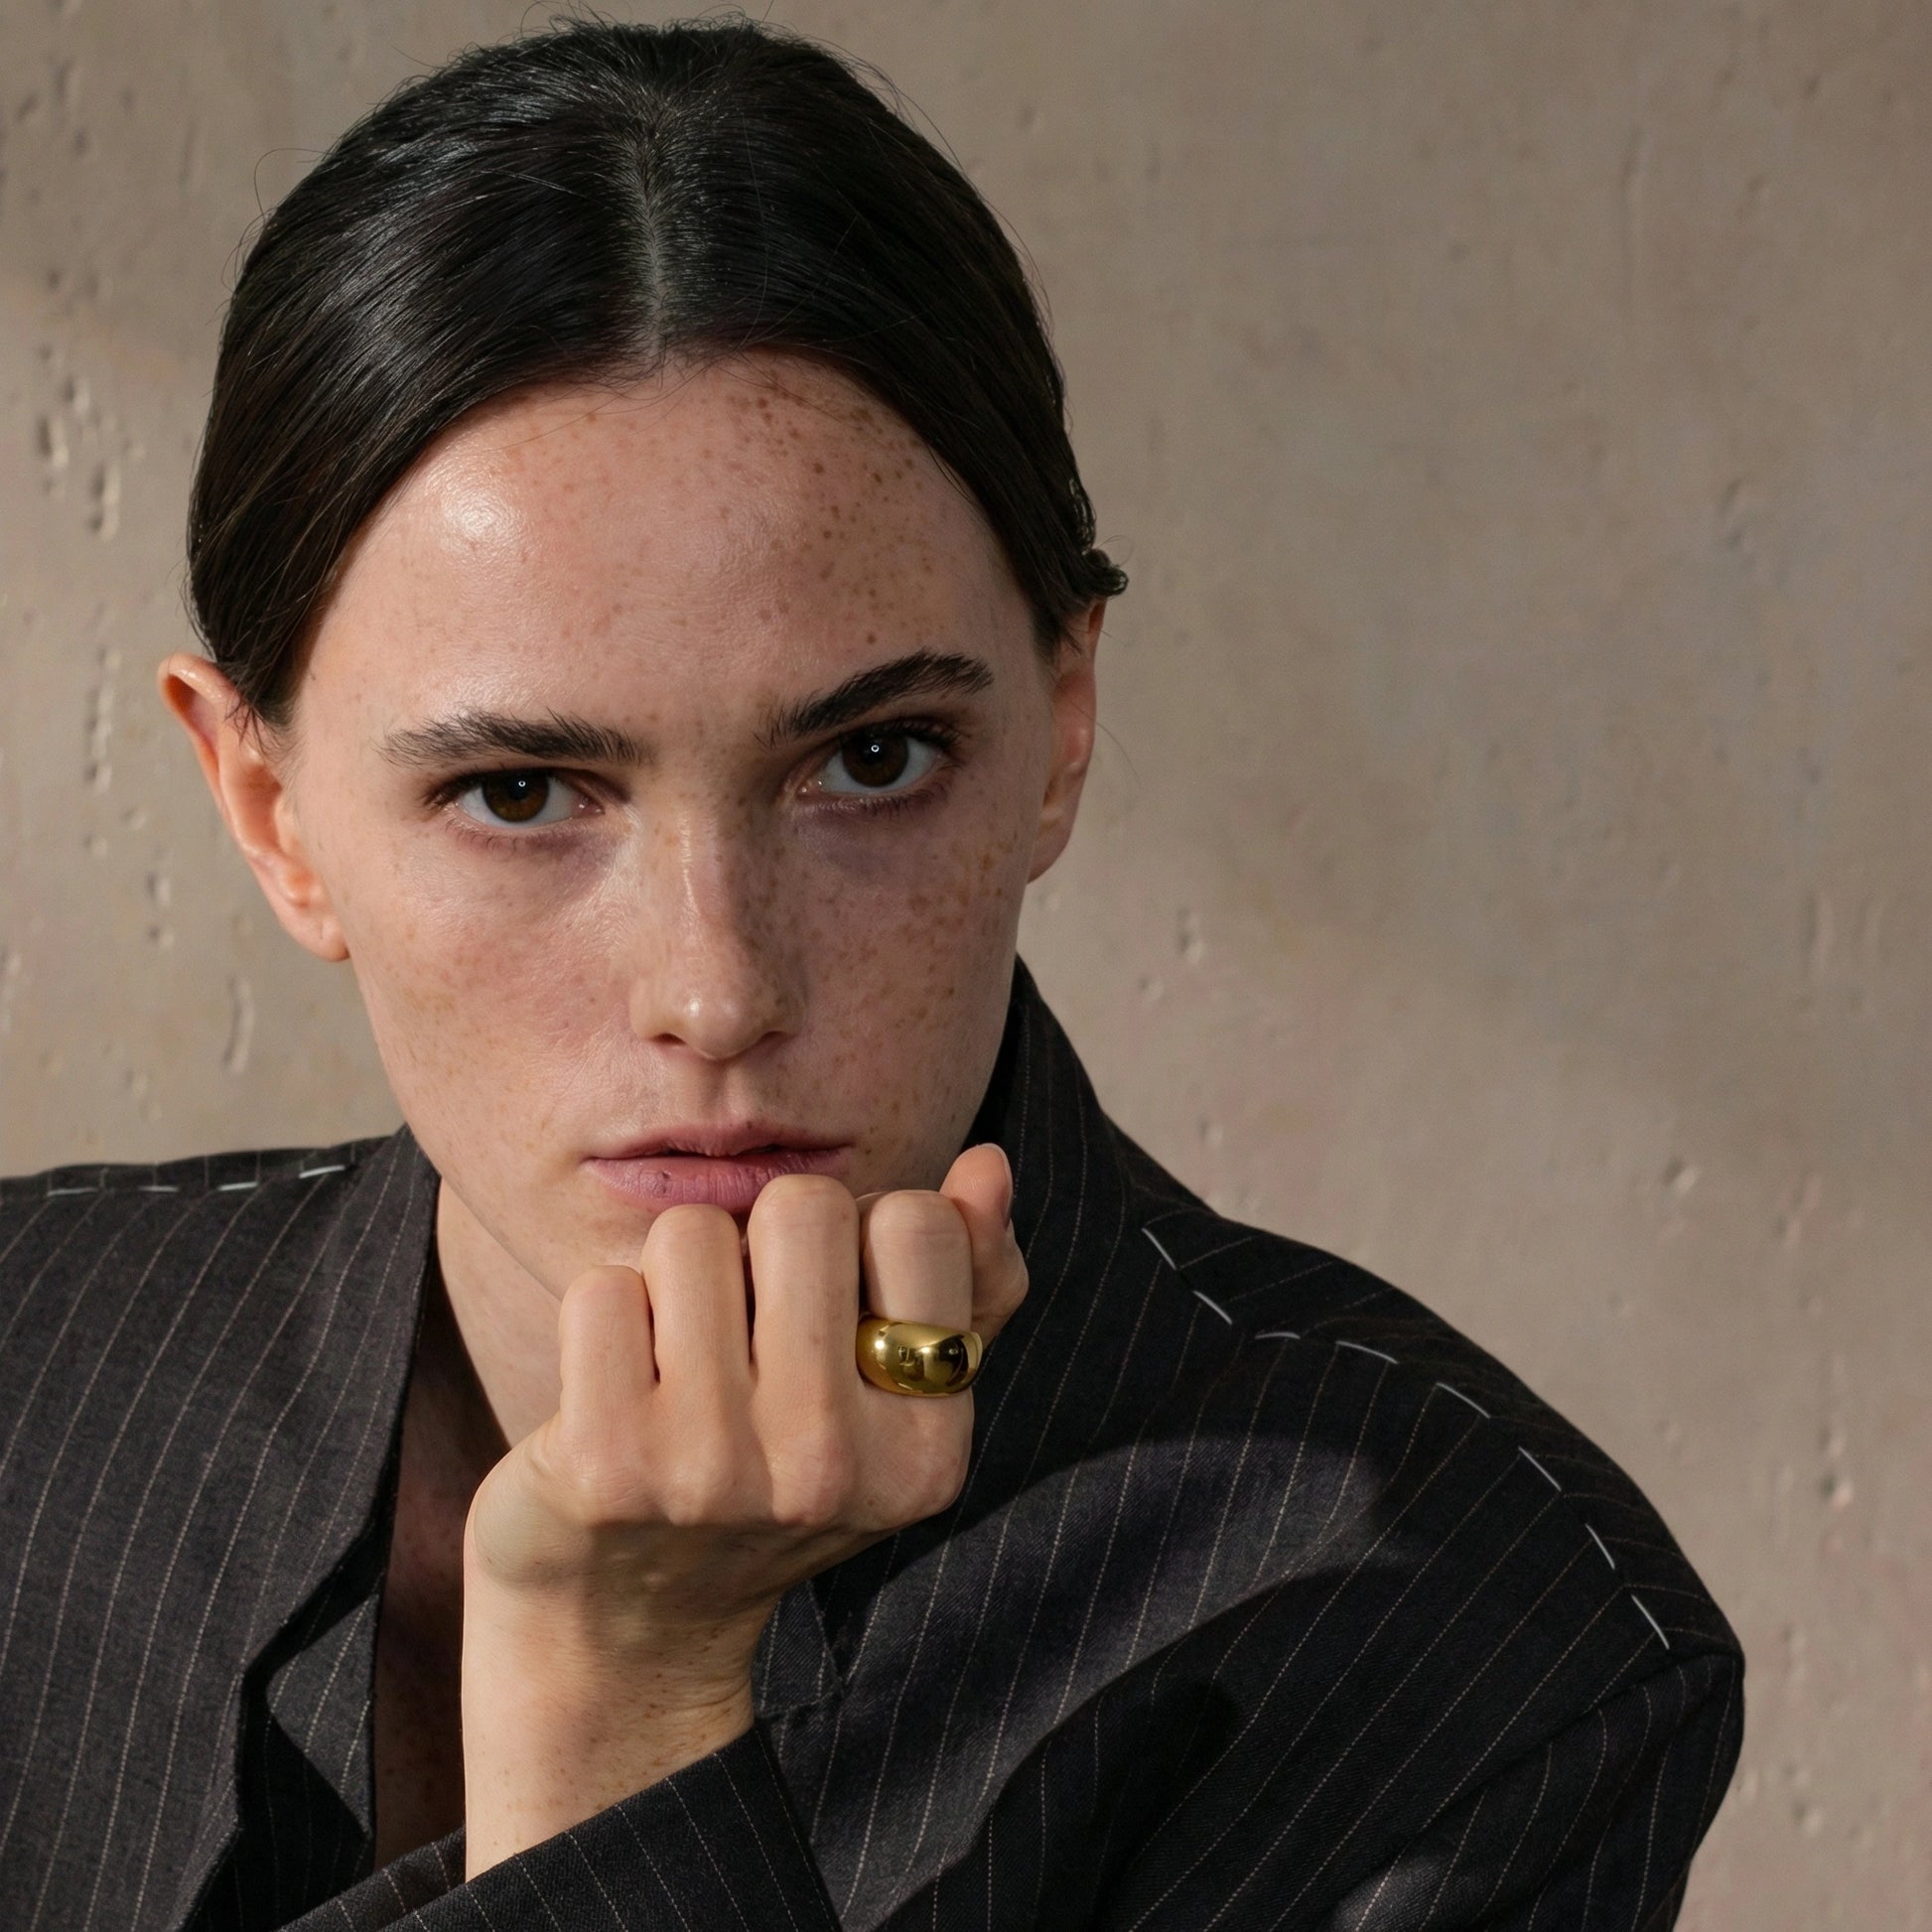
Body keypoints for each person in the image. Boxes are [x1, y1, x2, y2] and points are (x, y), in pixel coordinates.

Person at [0, 18, 1741, 1930]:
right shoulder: (28, 1365)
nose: (716, 987)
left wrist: (620, 1711)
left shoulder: (1467, 1619)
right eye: (519, 792)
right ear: (268, 809)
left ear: (1059, 730)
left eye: (873, 759)